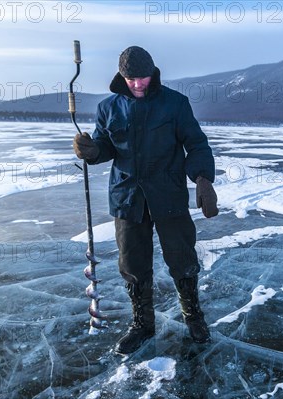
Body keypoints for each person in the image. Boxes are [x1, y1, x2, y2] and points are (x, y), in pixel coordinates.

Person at [73, 46, 218, 354]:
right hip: (127, 198)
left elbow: (197, 144)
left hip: (168, 195)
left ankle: (193, 317)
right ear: (121, 77)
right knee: (133, 264)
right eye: (130, 78)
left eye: (142, 77)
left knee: (182, 259)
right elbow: (106, 146)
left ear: (153, 74)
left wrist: (203, 179)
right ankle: (142, 324)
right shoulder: (108, 108)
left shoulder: (175, 104)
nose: (137, 84)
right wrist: (92, 151)